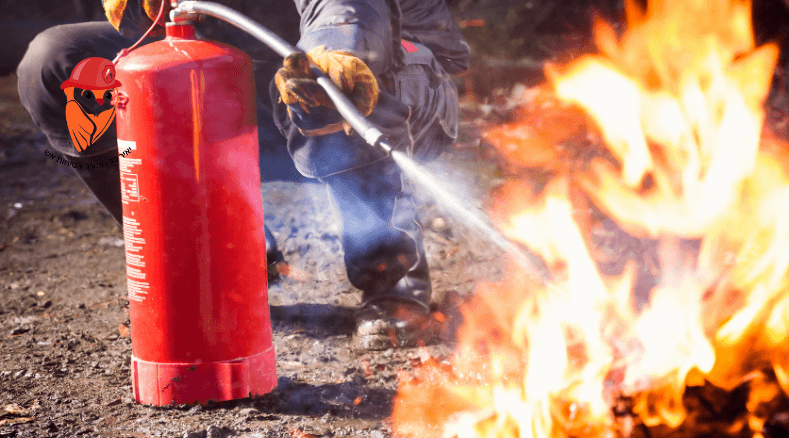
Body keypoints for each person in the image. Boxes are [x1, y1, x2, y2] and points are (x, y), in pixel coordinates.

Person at [16, 0, 470, 351]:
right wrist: (142, 15)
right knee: (60, 62)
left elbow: (346, 11)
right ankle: (222, 264)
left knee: (327, 72)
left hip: (391, 72)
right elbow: (162, 34)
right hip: (248, 81)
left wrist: (333, 54)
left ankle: (391, 282)